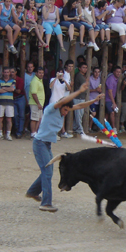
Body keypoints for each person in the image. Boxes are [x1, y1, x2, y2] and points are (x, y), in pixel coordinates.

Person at [25, 82, 100, 213]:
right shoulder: (52, 108)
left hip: (46, 144)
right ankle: (46, 203)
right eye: (65, 109)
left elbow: (80, 105)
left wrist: (94, 100)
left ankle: (33, 191)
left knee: (47, 170)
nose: (66, 113)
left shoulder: (64, 109)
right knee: (47, 171)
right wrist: (78, 91)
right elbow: (64, 100)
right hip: (40, 143)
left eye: (67, 110)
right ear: (61, 106)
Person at [0, 66, 15, 140]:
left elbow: (12, 89)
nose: (6, 73)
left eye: (7, 72)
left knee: (9, 119)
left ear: (9, 73)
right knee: (0, 119)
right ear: (3, 73)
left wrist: (4, 88)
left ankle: (8, 134)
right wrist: (8, 88)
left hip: (9, 102)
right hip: (0, 102)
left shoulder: (13, 80)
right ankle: (0, 134)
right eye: (5, 72)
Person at [28, 66, 45, 137]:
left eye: (42, 73)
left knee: (39, 118)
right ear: (36, 73)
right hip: (35, 103)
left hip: (39, 104)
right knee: (34, 119)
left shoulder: (39, 80)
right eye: (40, 73)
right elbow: (33, 93)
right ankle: (33, 133)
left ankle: (35, 132)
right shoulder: (35, 81)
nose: (41, 74)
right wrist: (38, 103)